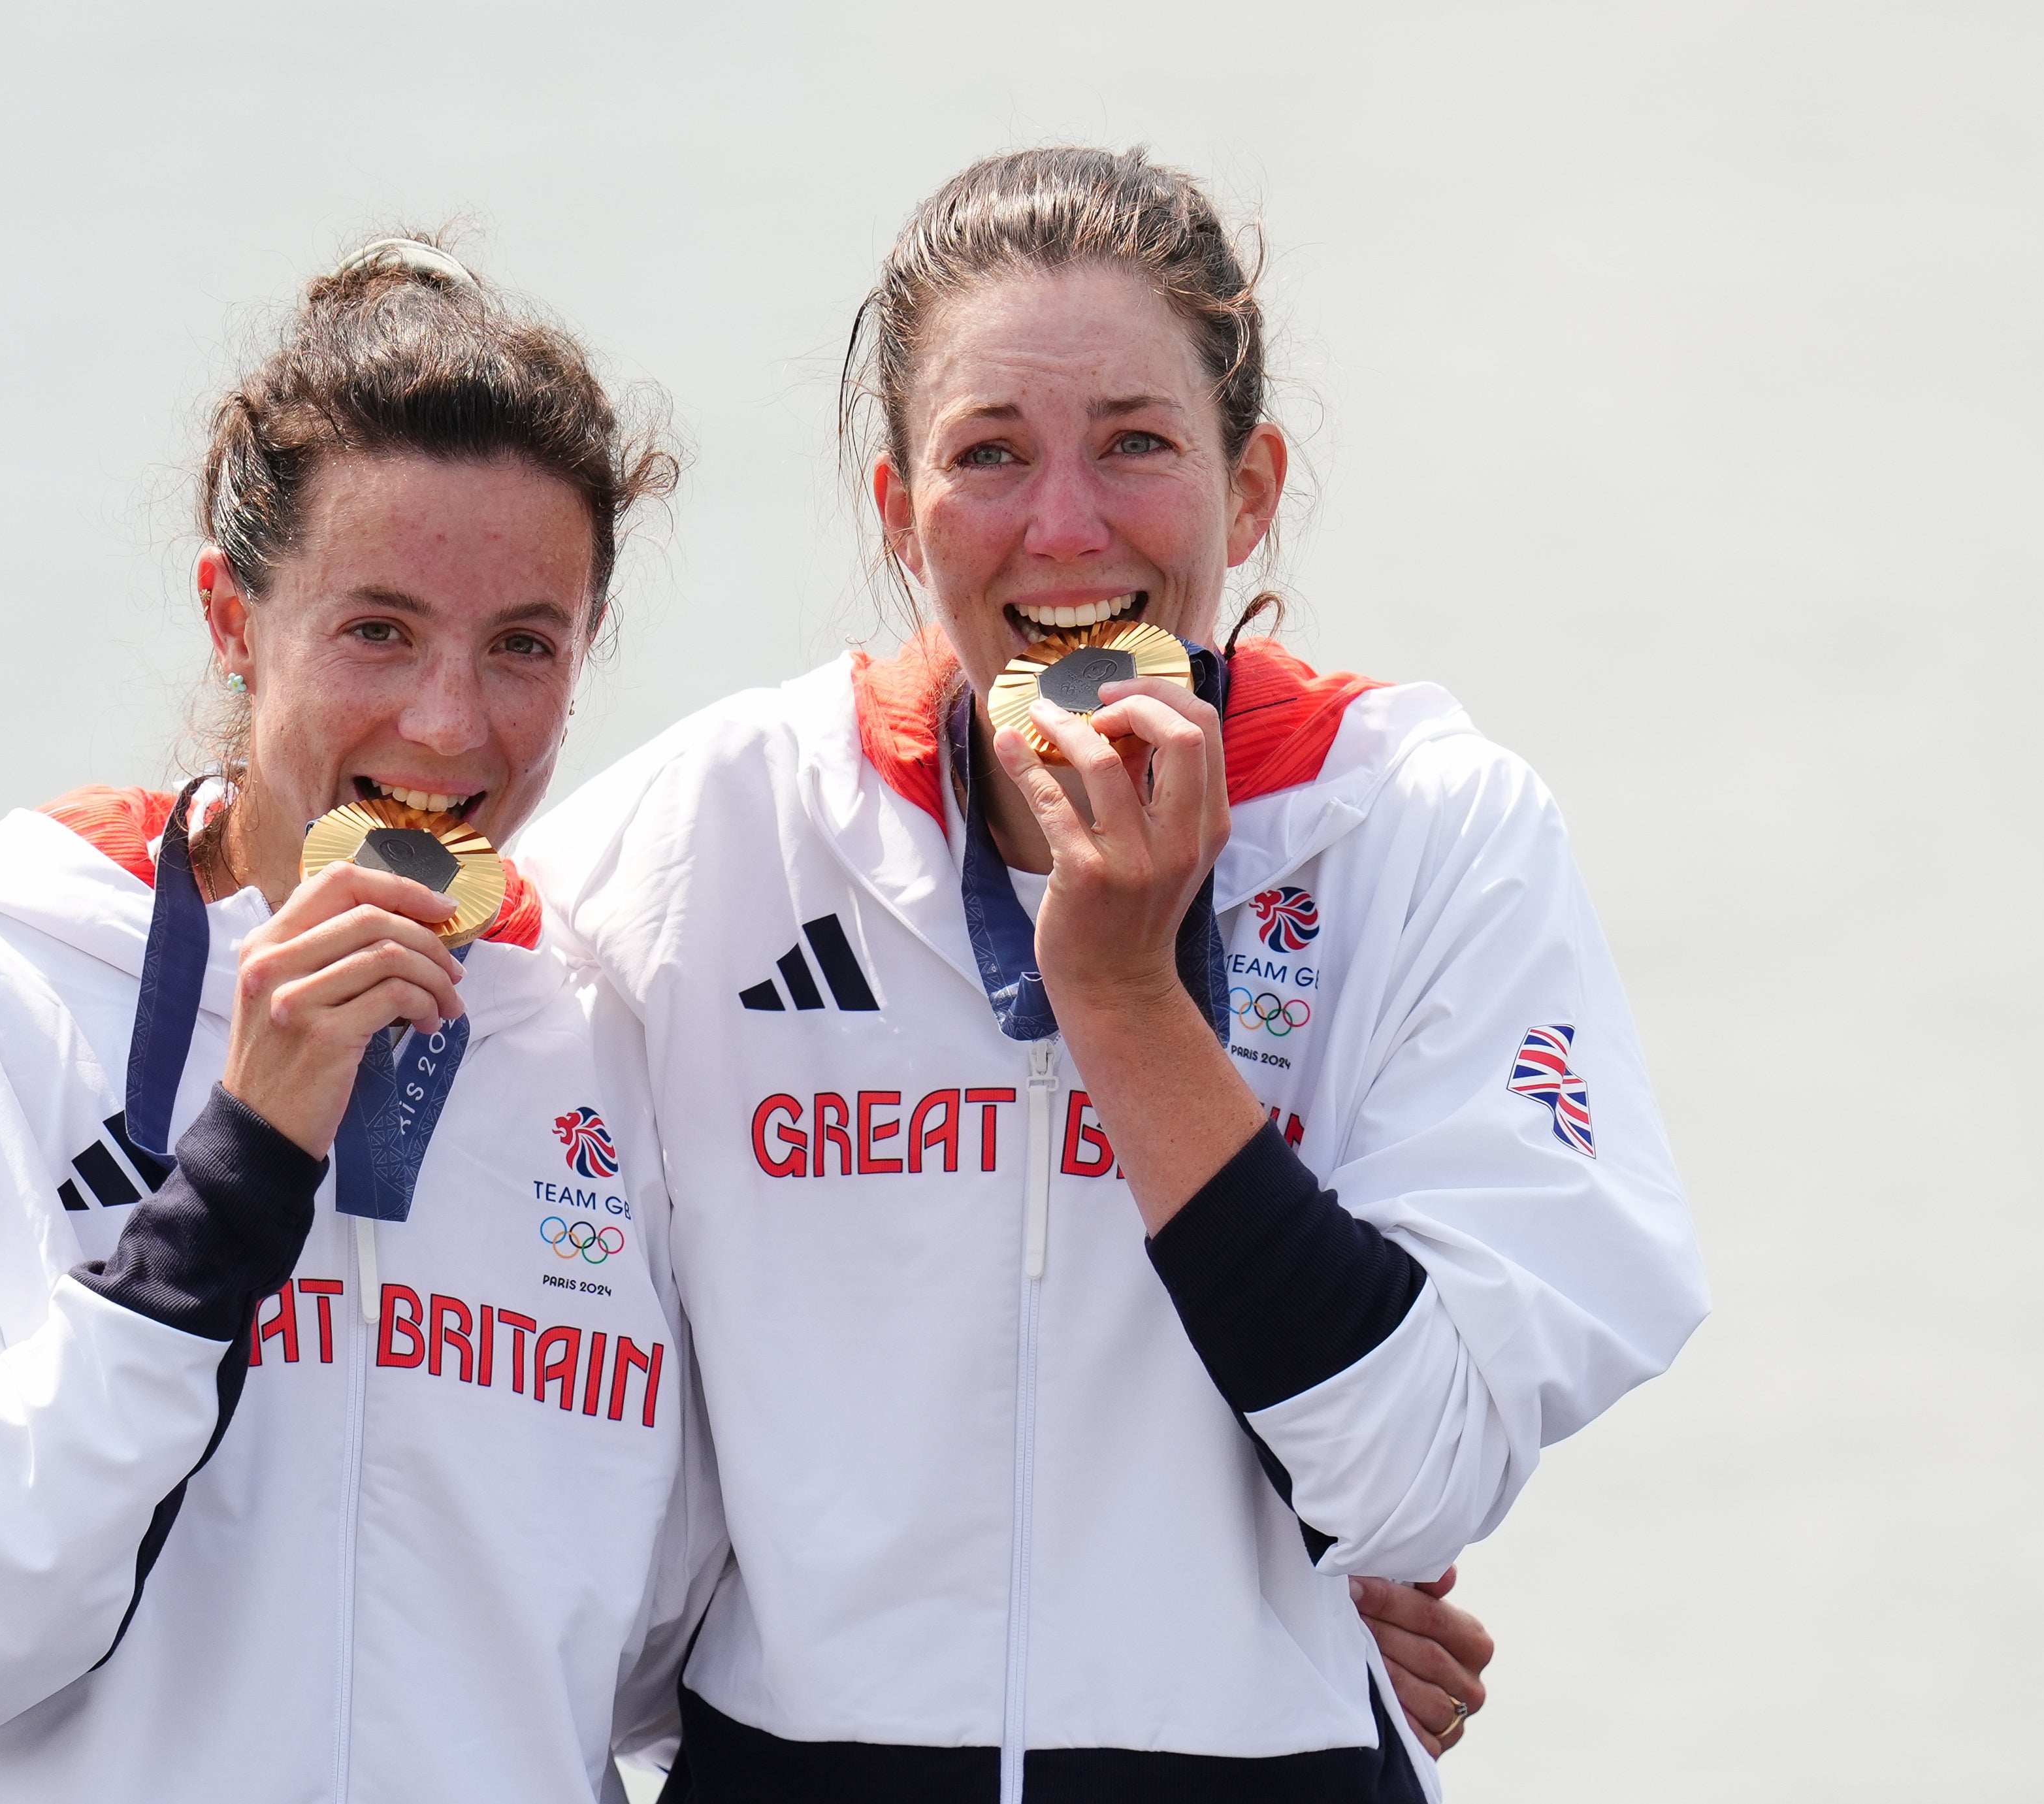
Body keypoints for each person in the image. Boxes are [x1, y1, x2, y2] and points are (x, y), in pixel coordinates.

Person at [508, 146, 1708, 1799]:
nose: (1063, 529)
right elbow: (468, 1359)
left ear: (1254, 483)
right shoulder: (712, 832)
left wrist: (1131, 1003)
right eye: (988, 454)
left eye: (1136, 445)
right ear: (894, 509)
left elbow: (1418, 1472)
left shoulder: (1423, 829)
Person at [0, 242, 725, 1802]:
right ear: (232, 616)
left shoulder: (613, 1044)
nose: (449, 723)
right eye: (378, 629)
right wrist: (240, 1165)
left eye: (523, 642)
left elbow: (684, 1648)